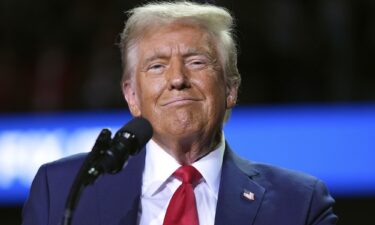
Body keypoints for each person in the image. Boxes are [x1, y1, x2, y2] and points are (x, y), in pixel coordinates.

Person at [22, 1, 337, 225]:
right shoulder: (63, 191)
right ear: (132, 95)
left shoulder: (299, 203)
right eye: (157, 66)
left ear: (230, 89)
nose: (177, 79)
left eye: (196, 62)